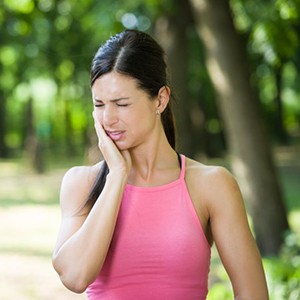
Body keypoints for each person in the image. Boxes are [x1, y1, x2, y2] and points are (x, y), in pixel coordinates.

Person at [52, 29, 269, 300]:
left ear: (160, 99)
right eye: (99, 104)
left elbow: (253, 294)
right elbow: (75, 276)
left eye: (121, 104)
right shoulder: (80, 184)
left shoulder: (211, 184)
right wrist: (117, 175)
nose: (108, 118)